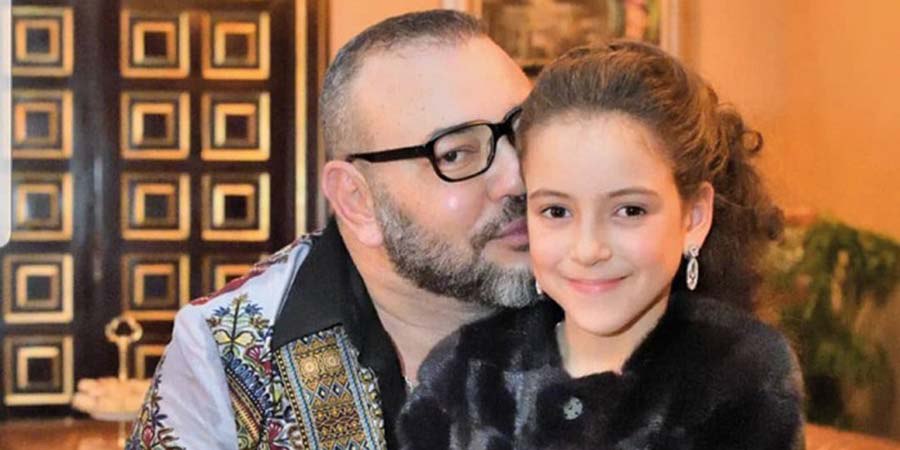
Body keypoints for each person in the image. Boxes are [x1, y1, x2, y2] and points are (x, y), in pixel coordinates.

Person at [127, 10, 536, 450]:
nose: (518, 179)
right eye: (455, 154)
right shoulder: (225, 350)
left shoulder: (586, 300)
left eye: (525, 133)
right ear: (357, 200)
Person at [398, 40, 805, 450]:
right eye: (557, 211)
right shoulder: (461, 374)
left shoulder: (740, 374)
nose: (588, 249)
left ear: (694, 217)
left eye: (629, 210)